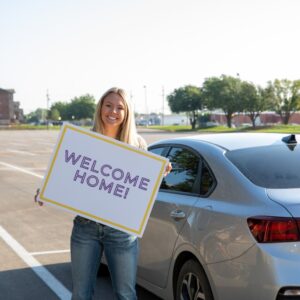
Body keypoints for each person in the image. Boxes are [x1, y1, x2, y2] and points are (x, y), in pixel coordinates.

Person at [35, 87, 172, 300]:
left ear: (127, 113)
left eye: (120, 107)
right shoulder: (83, 139)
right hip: (85, 228)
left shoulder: (137, 145)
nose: (113, 111)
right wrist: (46, 190)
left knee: (125, 294)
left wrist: (159, 174)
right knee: (81, 294)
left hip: (121, 232)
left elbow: (141, 188)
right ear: (100, 108)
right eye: (108, 105)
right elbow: (69, 175)